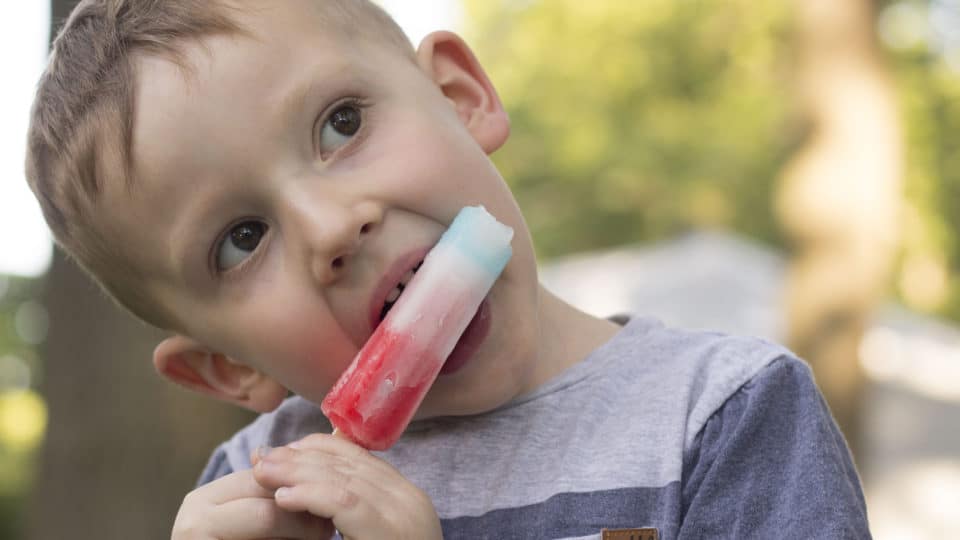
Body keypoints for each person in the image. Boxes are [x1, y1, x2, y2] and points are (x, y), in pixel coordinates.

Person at [25, 0, 872, 538]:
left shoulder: (723, 418)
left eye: (340, 123)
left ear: (462, 99)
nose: (332, 227)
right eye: (242, 238)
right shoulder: (258, 499)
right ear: (231, 369)